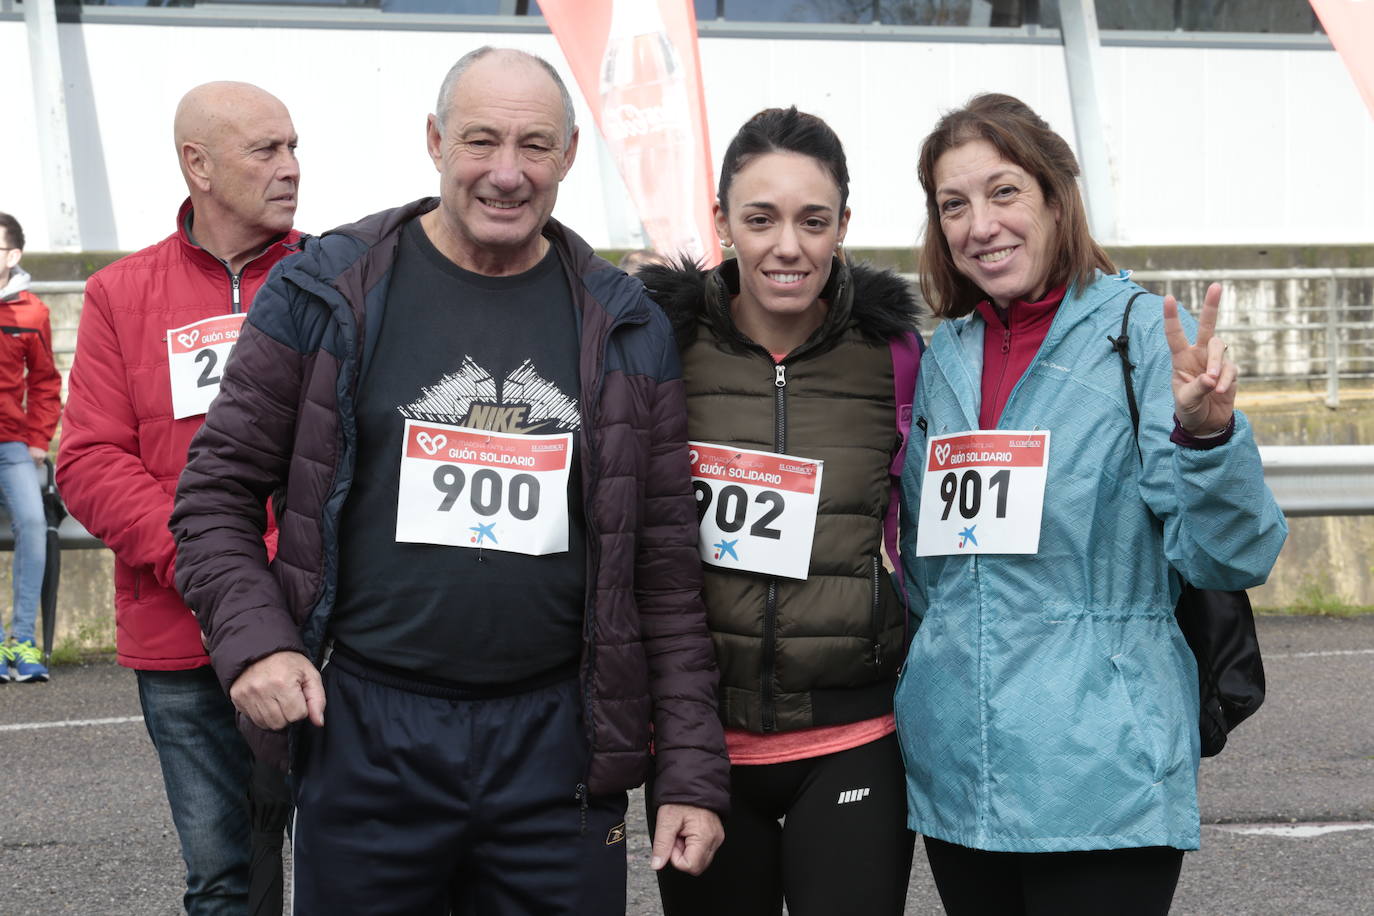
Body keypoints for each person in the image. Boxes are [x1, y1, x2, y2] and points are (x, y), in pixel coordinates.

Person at [169, 47, 729, 913]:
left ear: (570, 157)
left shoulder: (627, 323)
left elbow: (662, 565)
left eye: (535, 146)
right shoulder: (323, 291)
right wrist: (258, 643)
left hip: (557, 750)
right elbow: (214, 494)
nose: (507, 173)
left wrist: (690, 768)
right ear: (433, 140)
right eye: (480, 141)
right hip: (365, 735)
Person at [895, 93, 1287, 915]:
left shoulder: (1140, 336)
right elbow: (929, 565)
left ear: (1055, 196)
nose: (980, 224)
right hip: (960, 761)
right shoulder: (945, 356)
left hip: (1102, 762)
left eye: (1004, 192)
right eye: (954, 204)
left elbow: (1226, 557)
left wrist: (1210, 440)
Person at [637, 107, 922, 915]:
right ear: (723, 220)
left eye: (813, 220)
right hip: (699, 746)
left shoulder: (894, 354)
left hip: (856, 735)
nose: (787, 246)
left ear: (844, 228)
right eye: (760, 219)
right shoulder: (657, 344)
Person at [57, 81, 301, 914]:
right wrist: (215, 566)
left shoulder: (333, 279)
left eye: (293, 146)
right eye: (266, 150)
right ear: (197, 164)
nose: (291, 167)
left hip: (325, 627)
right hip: (180, 635)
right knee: (225, 883)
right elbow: (88, 460)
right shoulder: (119, 294)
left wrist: (284, 569)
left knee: (360, 873)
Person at [0, 212, 61, 684]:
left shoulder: (30, 312)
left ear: (13, 256)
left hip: (12, 445)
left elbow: (44, 382)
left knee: (35, 525)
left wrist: (39, 440)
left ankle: (22, 640)